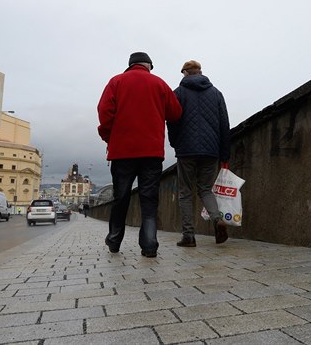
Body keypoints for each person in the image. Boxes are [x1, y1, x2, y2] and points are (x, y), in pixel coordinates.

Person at [97, 52, 182, 258]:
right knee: (149, 199)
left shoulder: (116, 81)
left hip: (122, 152)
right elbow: (175, 113)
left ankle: (115, 240)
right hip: (151, 153)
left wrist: (109, 136)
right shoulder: (159, 84)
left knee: (121, 197)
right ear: (149, 66)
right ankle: (150, 245)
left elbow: (104, 111)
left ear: (130, 65)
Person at [168, 60, 231, 247]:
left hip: (186, 150)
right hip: (211, 151)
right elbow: (224, 125)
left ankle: (188, 236)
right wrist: (224, 154)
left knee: (185, 193)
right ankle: (217, 219)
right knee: (205, 189)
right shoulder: (216, 93)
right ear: (200, 72)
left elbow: (171, 121)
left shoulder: (178, 93)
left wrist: (175, 143)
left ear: (186, 73)